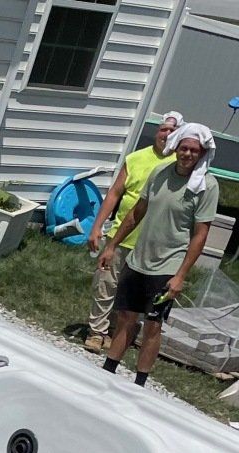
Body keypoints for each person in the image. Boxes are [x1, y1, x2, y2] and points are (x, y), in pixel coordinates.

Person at [97, 122, 218, 386]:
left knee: (153, 324)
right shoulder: (160, 172)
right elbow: (136, 212)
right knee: (126, 316)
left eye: (194, 151)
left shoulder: (206, 186)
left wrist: (180, 276)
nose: (187, 154)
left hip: (168, 264)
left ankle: (140, 381)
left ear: (201, 154)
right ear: (176, 148)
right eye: (184, 148)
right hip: (139, 257)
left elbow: (200, 235)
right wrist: (112, 245)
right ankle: (108, 371)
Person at [82, 110, 181, 353]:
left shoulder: (180, 165)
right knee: (106, 283)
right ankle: (97, 331)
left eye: (173, 131)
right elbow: (115, 193)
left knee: (133, 292)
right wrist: (97, 227)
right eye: (163, 130)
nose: (166, 135)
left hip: (153, 243)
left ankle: (118, 333)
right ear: (157, 133)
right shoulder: (136, 159)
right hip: (122, 235)